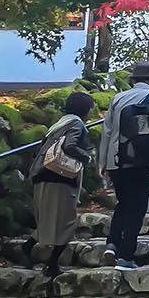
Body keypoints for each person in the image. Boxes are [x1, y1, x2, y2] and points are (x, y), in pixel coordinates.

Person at [98, 62, 149, 271]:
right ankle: (126, 256)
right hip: (142, 160)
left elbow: (107, 132)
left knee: (123, 203)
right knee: (138, 208)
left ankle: (111, 244)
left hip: (117, 159)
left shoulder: (117, 98)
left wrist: (102, 162)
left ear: (132, 80)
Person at [25, 91, 95, 280]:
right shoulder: (76, 124)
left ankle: (26, 248)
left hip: (43, 175)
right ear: (84, 109)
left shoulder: (60, 123)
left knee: (48, 219)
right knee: (67, 223)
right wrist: (86, 157)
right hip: (59, 178)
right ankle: (51, 264)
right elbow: (69, 147)